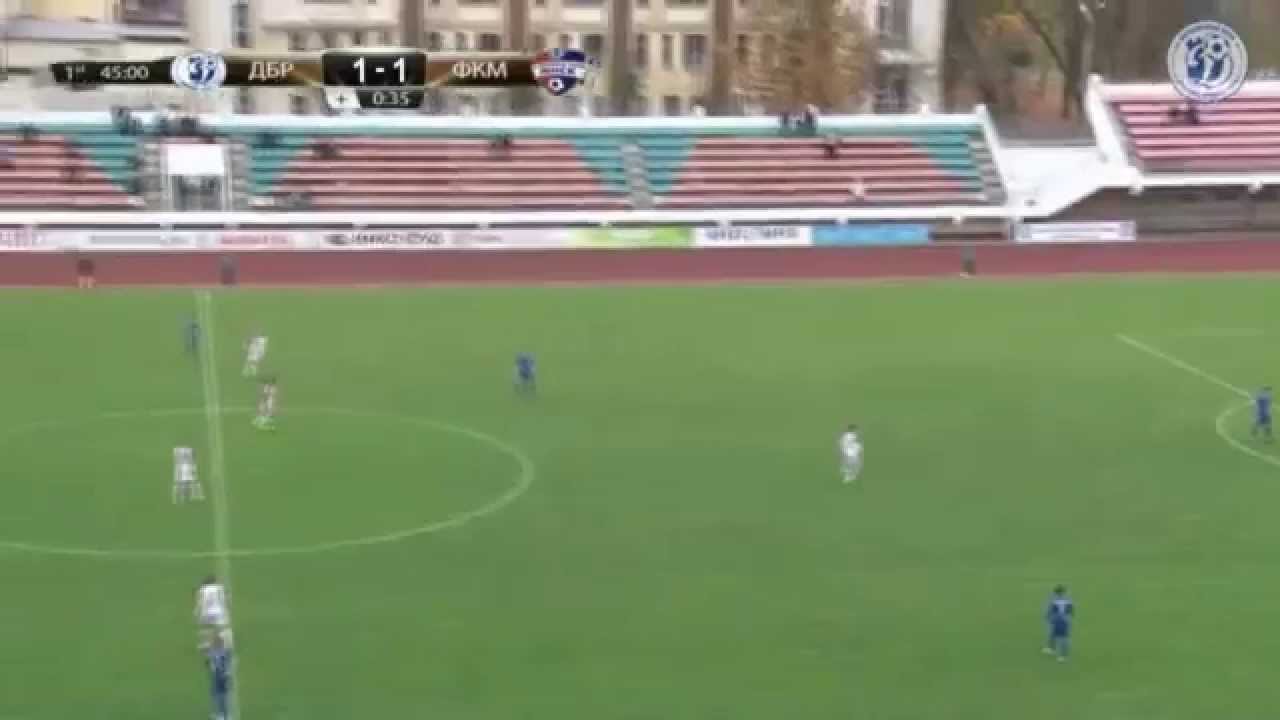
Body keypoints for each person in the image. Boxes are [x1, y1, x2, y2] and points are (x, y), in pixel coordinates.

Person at [195, 575, 232, 650]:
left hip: (206, 611)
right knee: (223, 628)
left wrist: (197, 611)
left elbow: (200, 601)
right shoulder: (220, 587)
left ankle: (205, 644)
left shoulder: (203, 589)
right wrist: (227, 608)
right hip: (219, 611)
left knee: (206, 628)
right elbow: (226, 598)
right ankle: (226, 644)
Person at [1043, 585, 1074, 662]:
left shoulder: (1055, 601)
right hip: (1065, 621)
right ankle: (1052, 649)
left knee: (1063, 638)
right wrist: (1069, 619)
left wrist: (1047, 617)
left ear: (1057, 593)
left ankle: (1062, 655)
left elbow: (1050, 611)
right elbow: (1071, 612)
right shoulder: (1068, 601)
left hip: (1058, 620)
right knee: (1054, 634)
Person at [206, 632, 233, 720]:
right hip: (221, 675)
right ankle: (224, 715)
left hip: (219, 676)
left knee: (220, 696)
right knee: (221, 696)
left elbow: (210, 663)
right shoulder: (224, 651)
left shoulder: (213, 652)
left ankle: (222, 715)